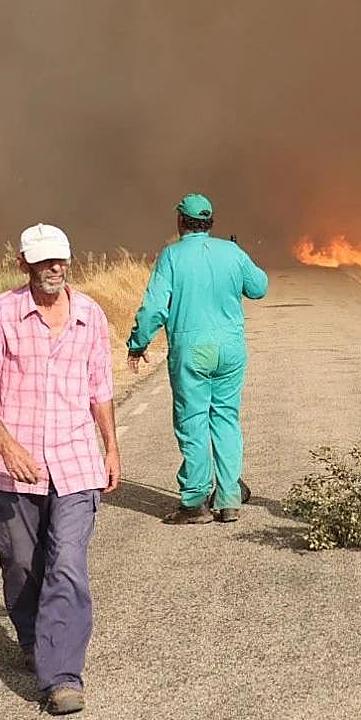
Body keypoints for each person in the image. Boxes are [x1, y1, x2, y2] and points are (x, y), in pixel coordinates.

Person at [0, 222, 120, 716]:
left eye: (61, 259)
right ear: (23, 263)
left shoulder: (90, 315)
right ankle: (34, 638)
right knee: (22, 564)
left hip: (74, 462)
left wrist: (111, 446)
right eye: (44, 260)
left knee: (66, 562)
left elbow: (101, 390)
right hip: (11, 469)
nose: (54, 268)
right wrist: (5, 447)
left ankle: (62, 675)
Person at [126, 192, 269, 524]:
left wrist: (138, 342)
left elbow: (154, 308)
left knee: (192, 421)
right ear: (210, 222)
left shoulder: (172, 257)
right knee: (225, 419)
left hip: (191, 351)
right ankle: (229, 497)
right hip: (231, 350)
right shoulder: (231, 252)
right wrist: (238, 262)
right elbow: (259, 287)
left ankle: (194, 501)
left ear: (180, 221)